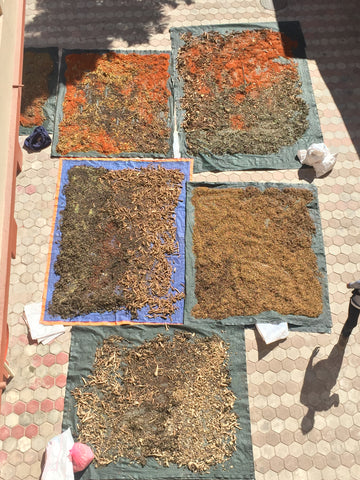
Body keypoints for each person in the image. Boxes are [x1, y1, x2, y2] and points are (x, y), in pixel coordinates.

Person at [338, 280, 360, 346]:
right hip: (355, 305)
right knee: (352, 322)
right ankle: (344, 335)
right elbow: (348, 285)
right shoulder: (359, 283)